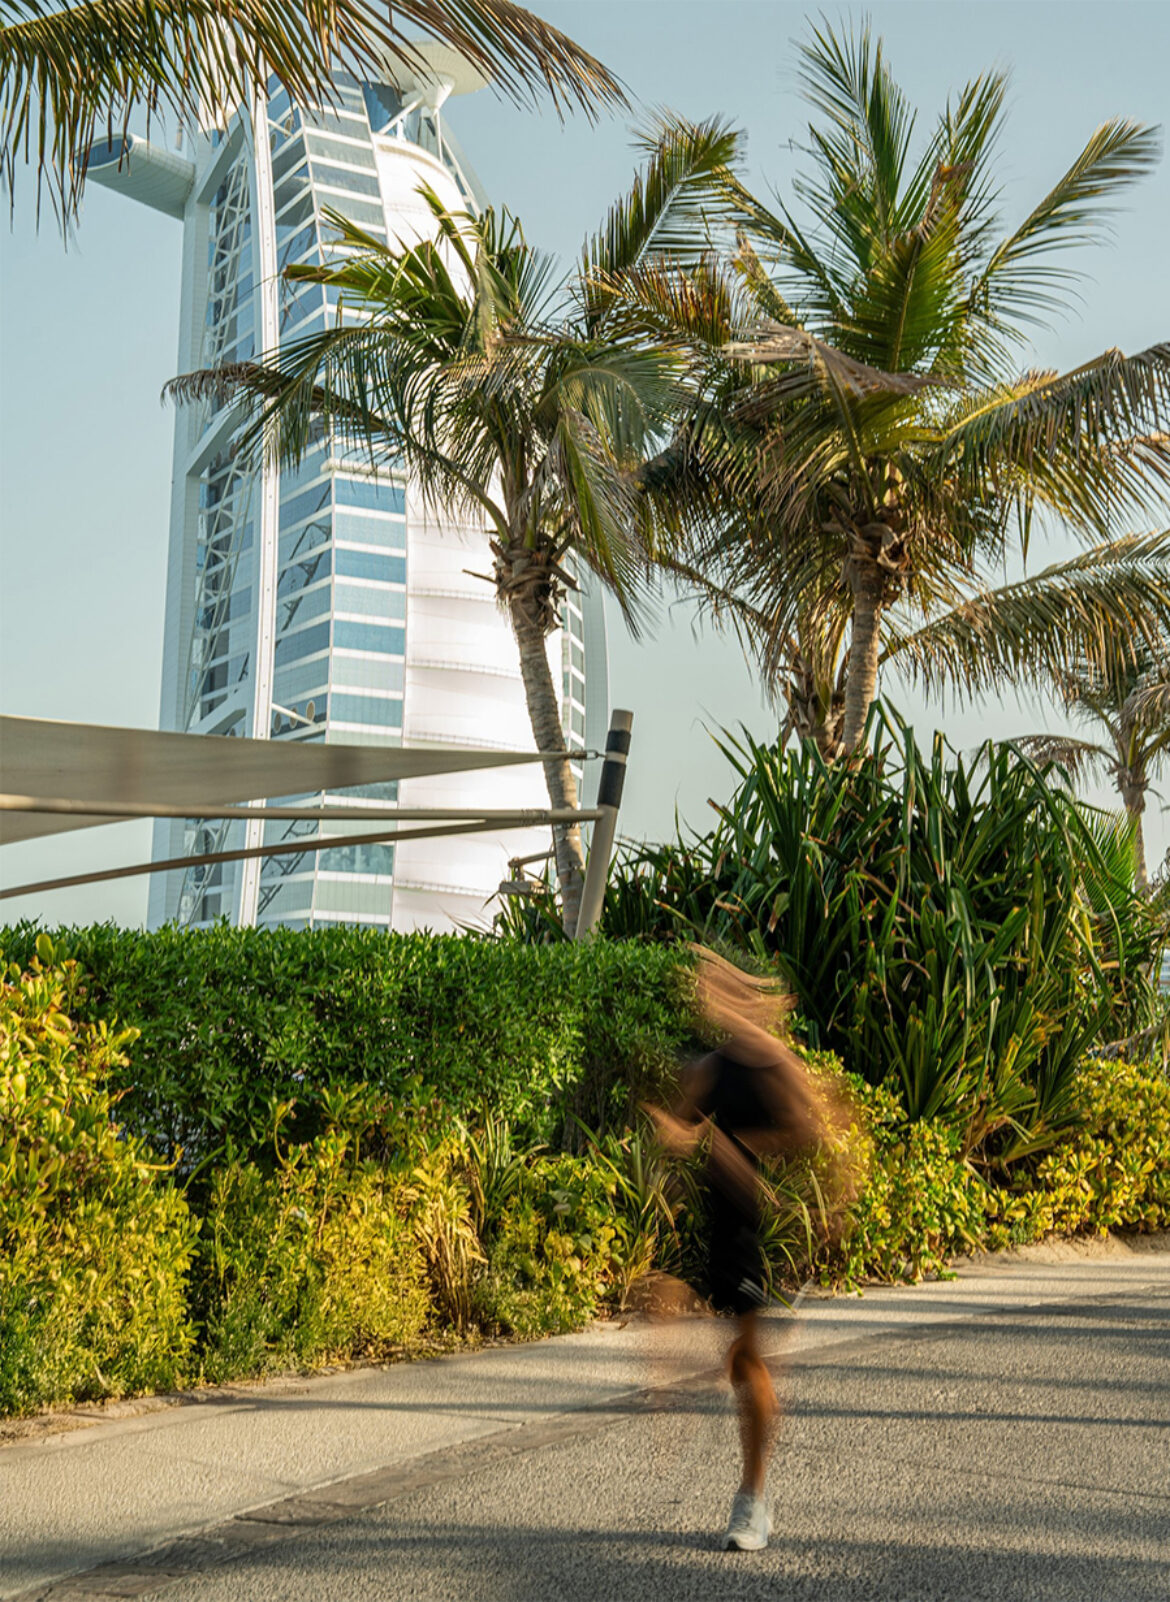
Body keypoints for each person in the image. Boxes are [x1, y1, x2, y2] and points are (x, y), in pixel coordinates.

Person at [644, 946, 835, 1552]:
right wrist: (674, 1132)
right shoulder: (712, 1067)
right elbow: (684, 1129)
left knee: (748, 1364)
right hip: (711, 1221)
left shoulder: (775, 1066)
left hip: (755, 1226)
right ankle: (687, 1391)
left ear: (745, 996)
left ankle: (753, 1498)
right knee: (685, 1320)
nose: (711, 1001)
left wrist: (743, 1148)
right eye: (707, 992)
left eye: (719, 989)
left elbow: (809, 1133)